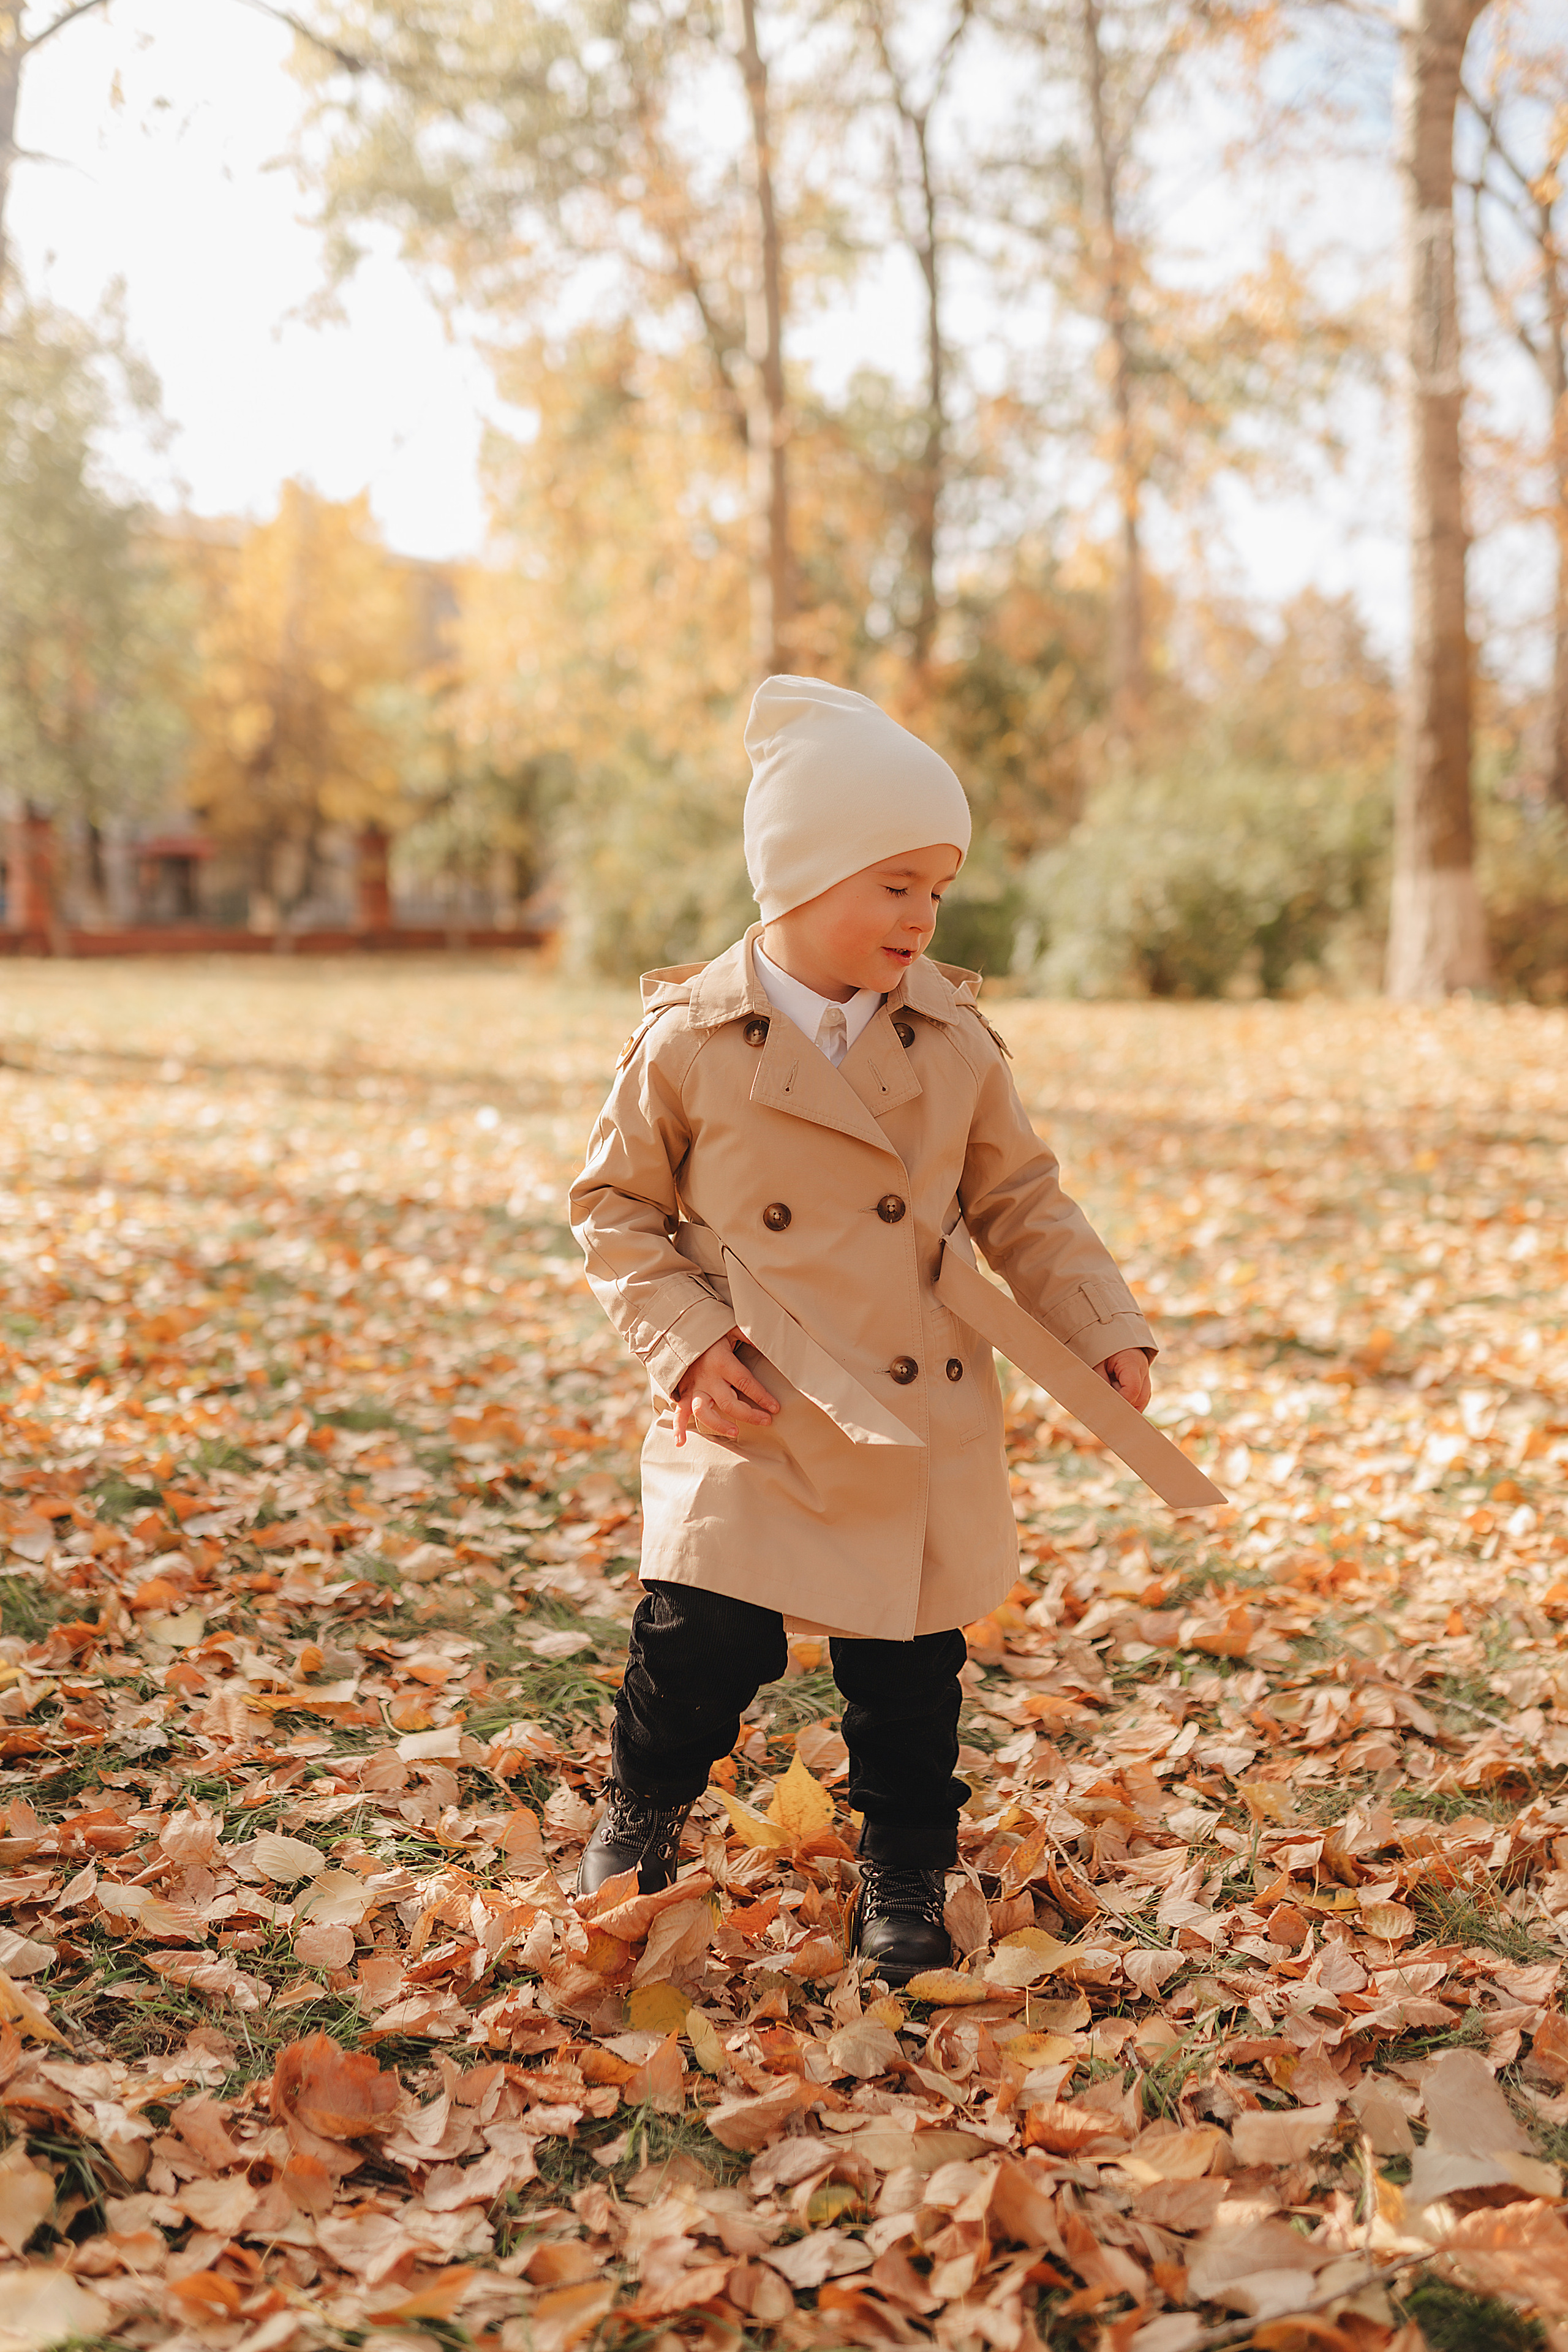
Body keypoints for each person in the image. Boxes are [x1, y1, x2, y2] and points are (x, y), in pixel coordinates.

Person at [567, 675, 1156, 1981]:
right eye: (893, 882)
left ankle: (903, 1868)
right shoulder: (691, 1039)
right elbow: (613, 1209)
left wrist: (1097, 1322)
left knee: (907, 1674)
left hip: (911, 1400)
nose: (922, 914)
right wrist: (683, 1339)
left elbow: (1020, 1198)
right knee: (700, 1642)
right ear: (798, 875)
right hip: (753, 1398)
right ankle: (640, 1807)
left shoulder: (948, 1036)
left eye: (936, 887)